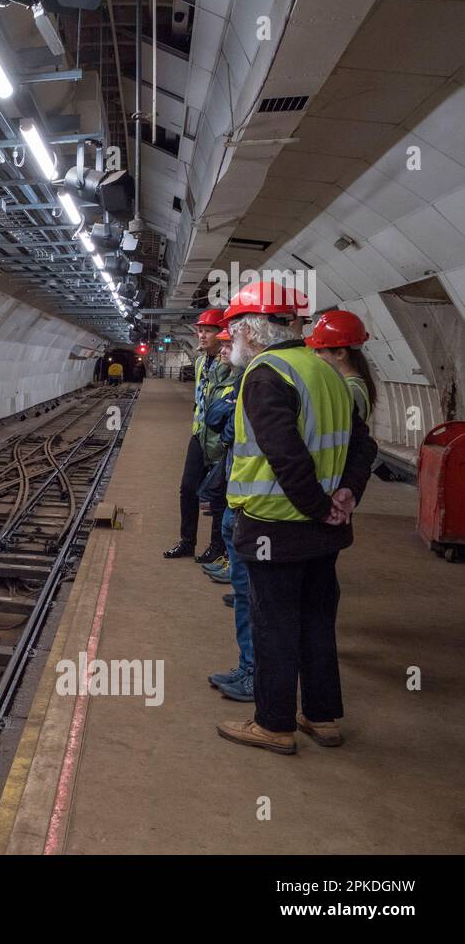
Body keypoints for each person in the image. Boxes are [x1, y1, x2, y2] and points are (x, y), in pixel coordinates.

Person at [215, 282, 378, 754]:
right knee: (316, 620)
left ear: (252, 329)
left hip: (277, 525)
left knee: (275, 624)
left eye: (235, 332)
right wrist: (346, 494)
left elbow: (285, 455)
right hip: (325, 527)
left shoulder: (266, 374)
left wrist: (315, 506)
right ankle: (323, 718)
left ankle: (273, 723)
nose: (233, 342)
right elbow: (361, 443)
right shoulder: (325, 370)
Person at [202, 328, 253, 701]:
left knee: (255, 598)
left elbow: (225, 421)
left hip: (261, 506)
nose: (224, 348)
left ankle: (254, 674)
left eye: (228, 342)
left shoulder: (259, 376)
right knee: (250, 594)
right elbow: (215, 415)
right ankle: (250, 669)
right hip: (256, 501)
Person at [164, 307, 237, 562]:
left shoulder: (230, 363)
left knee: (218, 495)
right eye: (200, 330)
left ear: (222, 333)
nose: (202, 335)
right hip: (199, 435)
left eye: (208, 331)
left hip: (220, 439)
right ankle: (187, 541)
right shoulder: (199, 362)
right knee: (187, 488)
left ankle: (217, 546)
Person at [306, 309, 377, 423]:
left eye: (319, 351)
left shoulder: (350, 390)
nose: (315, 356)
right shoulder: (352, 384)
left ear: (340, 354)